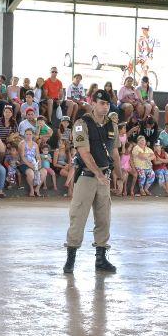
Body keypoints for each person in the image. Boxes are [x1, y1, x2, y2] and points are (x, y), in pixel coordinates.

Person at [63, 89, 120, 275]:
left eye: (107, 104)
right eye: (101, 103)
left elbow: (115, 152)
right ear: (92, 103)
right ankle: (70, 259)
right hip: (87, 176)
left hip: (105, 177)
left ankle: (101, 258)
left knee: (104, 219)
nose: (105, 106)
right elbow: (84, 153)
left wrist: (118, 176)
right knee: (78, 217)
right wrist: (99, 174)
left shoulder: (112, 125)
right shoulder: (82, 124)